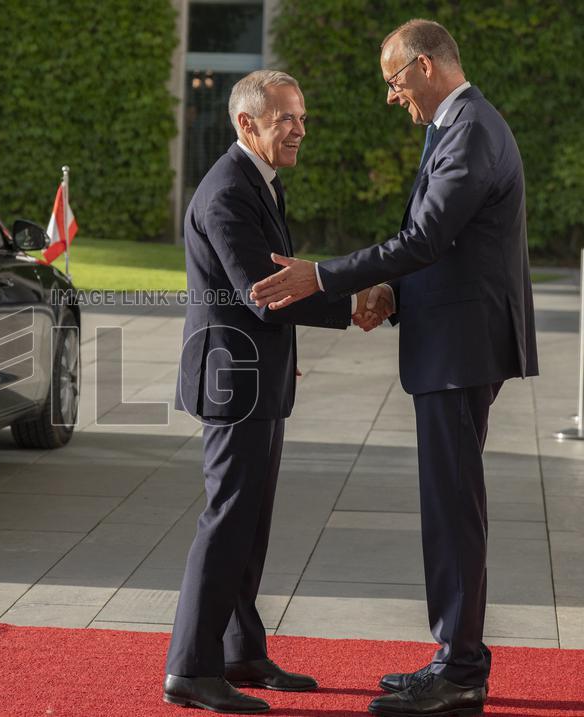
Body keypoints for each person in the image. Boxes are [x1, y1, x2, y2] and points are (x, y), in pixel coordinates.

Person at [250, 19, 539, 717]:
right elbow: (443, 244)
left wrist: (324, 276)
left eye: (393, 80)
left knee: (453, 509)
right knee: (450, 506)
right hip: (454, 341)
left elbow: (426, 235)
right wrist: (389, 289)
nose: (391, 96)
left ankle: (462, 669)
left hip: (462, 346)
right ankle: (453, 658)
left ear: (426, 66)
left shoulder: (467, 127)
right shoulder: (458, 125)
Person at [164, 69, 382, 715]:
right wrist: (355, 305)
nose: (299, 129)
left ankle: (240, 652)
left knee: (249, 521)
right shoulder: (229, 191)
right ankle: (190, 668)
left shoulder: (257, 182)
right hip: (233, 381)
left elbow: (272, 281)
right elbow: (266, 293)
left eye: (303, 117)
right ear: (246, 123)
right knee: (228, 518)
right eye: (286, 117)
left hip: (254, 376)